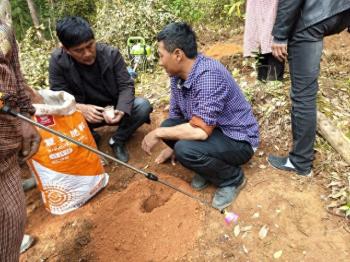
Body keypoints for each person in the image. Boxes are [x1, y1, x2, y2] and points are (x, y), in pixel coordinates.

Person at [142, 22, 259, 210]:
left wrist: (158, 133)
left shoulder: (209, 75)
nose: (160, 61)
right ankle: (207, 168)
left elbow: (201, 132)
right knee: (170, 124)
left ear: (178, 55)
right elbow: (176, 114)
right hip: (214, 131)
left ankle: (232, 179)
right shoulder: (177, 76)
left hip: (238, 139)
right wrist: (168, 138)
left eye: (161, 55)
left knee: (184, 149)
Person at [49, 16, 153, 163]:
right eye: (79, 50)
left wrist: (121, 110)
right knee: (56, 120)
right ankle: (90, 136)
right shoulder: (57, 61)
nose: (87, 53)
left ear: (94, 40)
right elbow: (57, 96)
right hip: (84, 115)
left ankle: (117, 140)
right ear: (65, 49)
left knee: (142, 106)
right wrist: (79, 107)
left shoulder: (111, 54)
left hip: (113, 108)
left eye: (90, 45)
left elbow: (126, 85)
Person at [268, 1, 350, 176]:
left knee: (303, 94)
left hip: (312, 18)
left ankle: (300, 161)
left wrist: (280, 35)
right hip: (341, 11)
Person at [0, 20, 41, 261]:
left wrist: (27, 116)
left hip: (6, 154)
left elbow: (15, 72)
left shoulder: (3, 30)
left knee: (13, 221)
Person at [243, 0, 284, 81]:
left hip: (274, 7)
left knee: (271, 36)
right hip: (256, 6)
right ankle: (263, 80)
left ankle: (273, 81)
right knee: (258, 37)